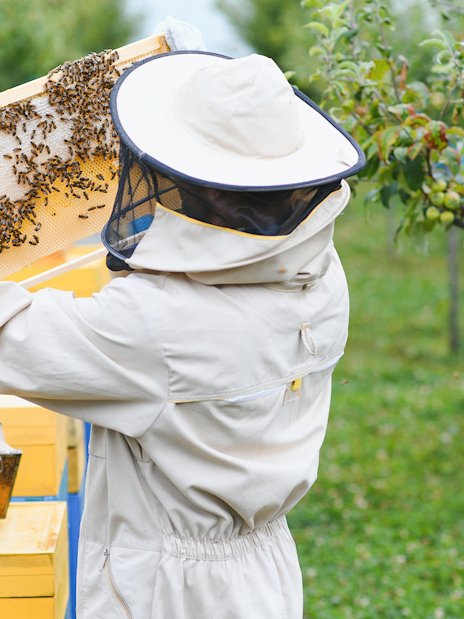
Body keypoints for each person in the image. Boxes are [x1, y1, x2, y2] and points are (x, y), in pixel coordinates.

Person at [0, 18, 365, 619]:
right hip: (265, 575)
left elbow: (13, 339)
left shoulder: (155, 328)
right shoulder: (324, 277)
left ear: (210, 193)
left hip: (165, 592)